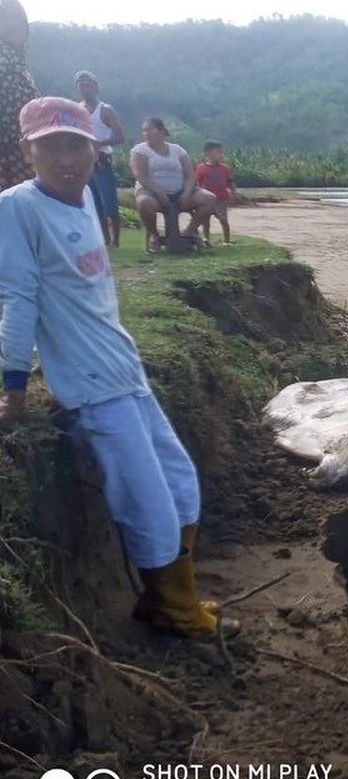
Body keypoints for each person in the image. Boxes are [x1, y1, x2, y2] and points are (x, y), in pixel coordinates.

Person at [0, 98, 237, 640]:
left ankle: (175, 596)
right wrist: (14, 388)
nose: (66, 158)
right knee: (147, 501)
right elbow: (17, 300)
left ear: (94, 152)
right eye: (50, 146)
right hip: (90, 388)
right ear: (26, 151)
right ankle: (174, 613)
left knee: (180, 482)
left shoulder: (83, 197)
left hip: (125, 370)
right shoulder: (17, 209)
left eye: (76, 145)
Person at [130, 117, 215, 253]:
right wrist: (158, 192)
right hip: (152, 193)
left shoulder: (177, 150)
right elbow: (140, 175)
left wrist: (187, 192)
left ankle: (189, 231)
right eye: (144, 131)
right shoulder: (139, 151)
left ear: (161, 131)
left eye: (149, 130)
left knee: (209, 199)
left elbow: (190, 174)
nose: (146, 133)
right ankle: (154, 236)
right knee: (144, 203)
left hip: (180, 193)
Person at [74, 70, 125, 249]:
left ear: (96, 88)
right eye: (81, 86)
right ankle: (104, 240)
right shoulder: (78, 109)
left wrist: (99, 143)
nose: (85, 89)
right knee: (94, 202)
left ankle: (116, 241)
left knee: (109, 201)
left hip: (102, 158)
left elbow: (120, 136)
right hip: (86, 160)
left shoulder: (105, 110)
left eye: (88, 85)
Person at [0, 0, 36, 191]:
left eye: (20, 19)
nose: (16, 25)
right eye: (7, 19)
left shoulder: (19, 65)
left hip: (24, 155)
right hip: (8, 160)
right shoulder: (4, 62)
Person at [196, 140, 235, 246]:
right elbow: (198, 184)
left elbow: (230, 183)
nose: (221, 154)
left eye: (221, 152)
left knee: (223, 220)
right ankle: (206, 238)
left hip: (221, 199)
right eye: (218, 152)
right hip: (206, 200)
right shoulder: (201, 168)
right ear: (208, 153)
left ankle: (227, 241)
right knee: (205, 220)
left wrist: (233, 194)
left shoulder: (225, 168)